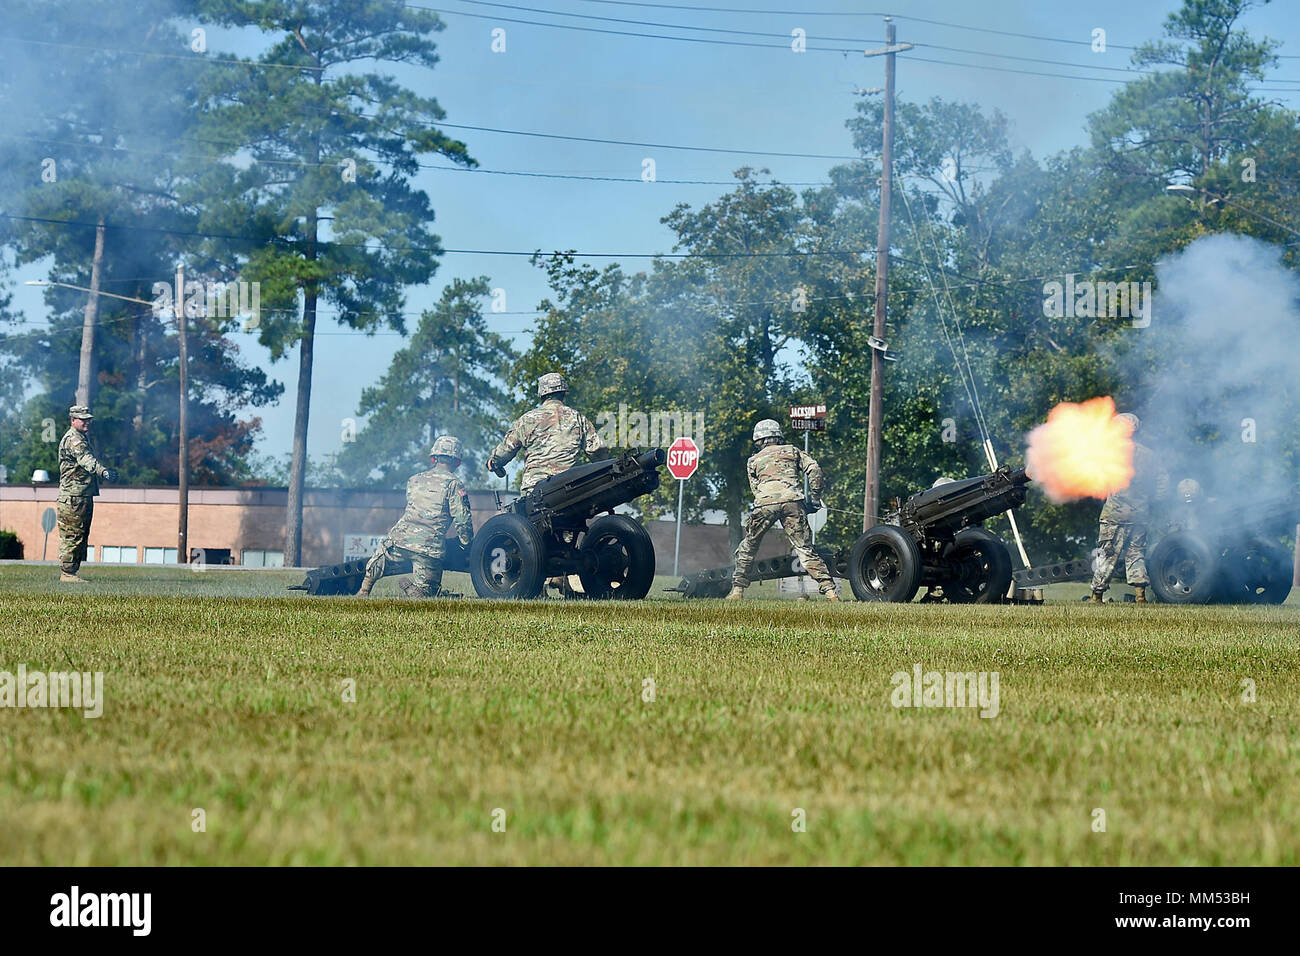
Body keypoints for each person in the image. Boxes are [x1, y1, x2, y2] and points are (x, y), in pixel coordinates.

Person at [727, 419, 839, 602]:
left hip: (764, 504)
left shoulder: (753, 460)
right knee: (804, 549)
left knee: (749, 545)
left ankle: (737, 591)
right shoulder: (793, 451)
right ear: (778, 436)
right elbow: (815, 470)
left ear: (758, 439)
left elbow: (755, 490)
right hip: (793, 503)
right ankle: (830, 593)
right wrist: (815, 498)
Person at [357, 435, 474, 598]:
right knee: (429, 591)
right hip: (428, 548)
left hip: (400, 539)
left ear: (434, 458)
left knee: (381, 558)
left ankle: (364, 590)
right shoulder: (454, 484)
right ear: (457, 462)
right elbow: (463, 520)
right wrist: (467, 544)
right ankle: (420, 591)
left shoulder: (414, 480)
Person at [1090, 413, 1169, 604]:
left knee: (1107, 554)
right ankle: (1140, 596)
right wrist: (1152, 501)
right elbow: (1163, 483)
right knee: (1136, 554)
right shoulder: (1150, 455)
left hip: (1114, 514)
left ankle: (1097, 596)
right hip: (1140, 514)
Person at [487, 373, 606, 494]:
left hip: (535, 492)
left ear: (541, 394)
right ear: (564, 393)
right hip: (571, 488)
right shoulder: (578, 418)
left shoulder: (526, 420)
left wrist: (494, 462)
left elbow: (506, 449)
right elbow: (597, 451)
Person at [56, 405, 118, 583]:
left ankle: (72, 572)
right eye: (83, 419)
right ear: (73, 420)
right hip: (73, 497)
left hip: (81, 495)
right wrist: (103, 472)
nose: (87, 422)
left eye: (88, 419)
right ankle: (67, 573)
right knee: (73, 535)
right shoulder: (74, 440)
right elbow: (86, 460)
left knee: (81, 534)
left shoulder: (81, 437)